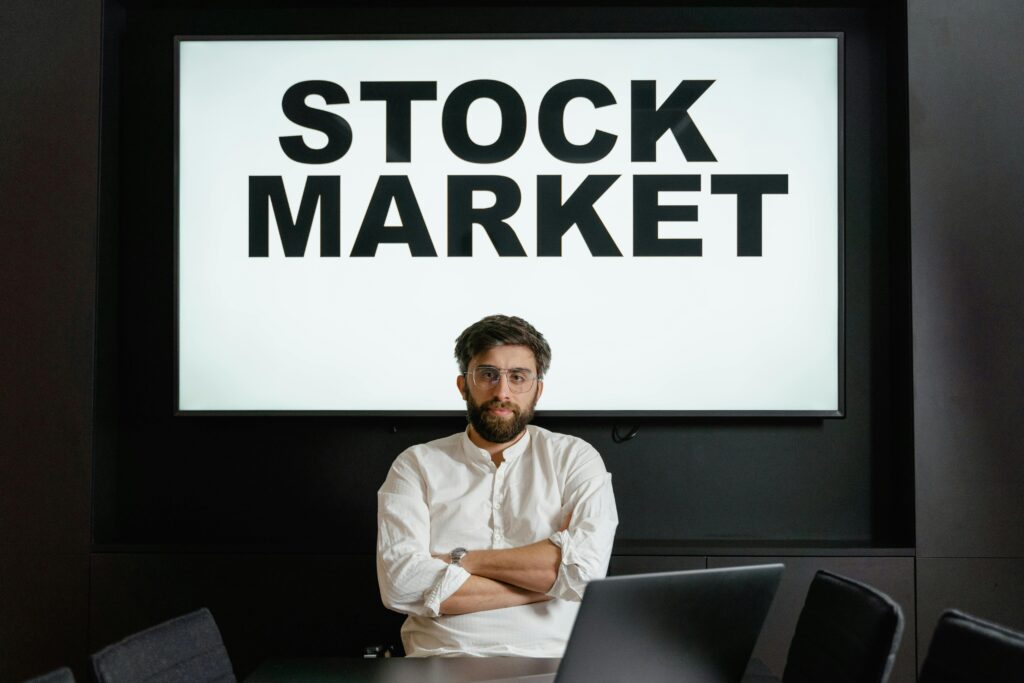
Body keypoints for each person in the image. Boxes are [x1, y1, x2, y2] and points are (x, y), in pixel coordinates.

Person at [376, 314, 619, 657]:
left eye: (518, 377)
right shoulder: (415, 465)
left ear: (538, 388)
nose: (502, 391)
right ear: (463, 385)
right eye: (488, 375)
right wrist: (550, 584)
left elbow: (586, 571)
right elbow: (401, 585)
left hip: (555, 662)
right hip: (442, 662)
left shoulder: (575, 458)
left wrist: (462, 560)